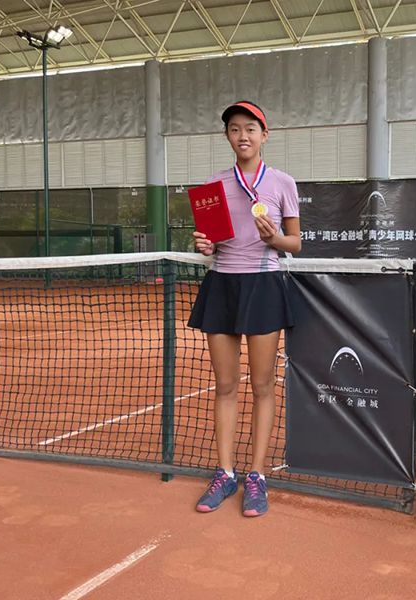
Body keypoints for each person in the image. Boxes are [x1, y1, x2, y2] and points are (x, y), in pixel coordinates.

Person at [188, 100, 301, 517]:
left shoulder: (283, 183)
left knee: (263, 385)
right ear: (227, 136)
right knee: (225, 386)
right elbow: (209, 240)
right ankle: (225, 473)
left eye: (250, 128)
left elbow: (295, 243)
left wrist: (274, 239)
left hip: (264, 285)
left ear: (264, 135)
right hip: (222, 284)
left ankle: (257, 475)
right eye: (235, 129)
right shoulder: (215, 184)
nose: (243, 136)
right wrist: (204, 245)